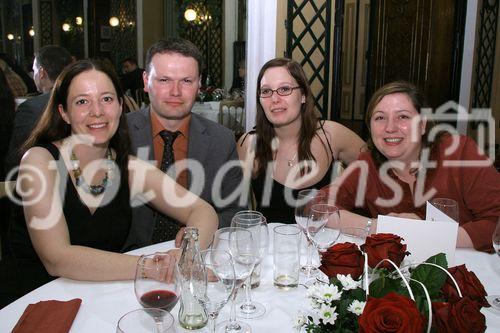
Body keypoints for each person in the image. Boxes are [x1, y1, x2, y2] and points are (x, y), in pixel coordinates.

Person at [0, 59, 218, 307]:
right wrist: (151, 266)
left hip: (95, 298)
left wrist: (186, 253)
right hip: (31, 303)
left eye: (106, 99)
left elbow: (202, 211)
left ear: (120, 105)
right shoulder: (39, 161)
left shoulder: (127, 168)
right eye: (82, 101)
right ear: (64, 112)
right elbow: (57, 258)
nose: (97, 111)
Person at [321, 81, 500, 252]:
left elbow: (496, 220)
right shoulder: (368, 163)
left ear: (422, 125)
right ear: (370, 127)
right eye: (380, 118)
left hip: (470, 270)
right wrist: (380, 227)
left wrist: (426, 233)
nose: (390, 127)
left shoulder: (460, 152)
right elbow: (319, 206)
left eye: (403, 117)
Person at [124, 38, 242, 250]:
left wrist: (202, 230)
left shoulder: (221, 140)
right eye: (164, 80)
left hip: (195, 259)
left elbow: (234, 211)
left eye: (186, 81)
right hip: (126, 262)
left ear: (199, 84)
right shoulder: (119, 136)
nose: (175, 91)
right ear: (145, 80)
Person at [237, 58, 365, 223]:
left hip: (321, 245)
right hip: (269, 245)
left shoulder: (331, 135)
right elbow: (230, 205)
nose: (275, 99)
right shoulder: (249, 144)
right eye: (266, 91)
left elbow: (377, 171)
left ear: (303, 95)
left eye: (284, 89)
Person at [5, 45, 73, 174]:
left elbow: (16, 159)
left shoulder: (30, 109)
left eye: (33, 70)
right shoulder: (79, 101)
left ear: (41, 72)